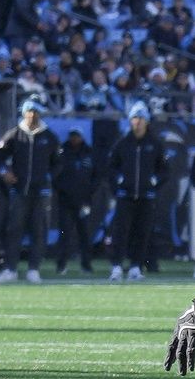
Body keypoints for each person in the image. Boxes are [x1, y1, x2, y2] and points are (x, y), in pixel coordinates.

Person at [0, 98, 59, 283]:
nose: (32, 115)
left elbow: (58, 163)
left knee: (39, 229)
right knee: (14, 229)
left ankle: (33, 269)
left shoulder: (49, 137)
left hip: (40, 191)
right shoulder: (14, 134)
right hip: (19, 189)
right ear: (24, 113)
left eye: (35, 112)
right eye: (29, 111)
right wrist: (4, 172)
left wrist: (48, 177)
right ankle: (10, 268)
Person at [108, 102, 167, 282]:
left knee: (142, 233)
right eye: (135, 118)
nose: (138, 122)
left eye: (141, 118)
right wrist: (119, 182)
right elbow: (111, 167)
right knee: (120, 232)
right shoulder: (123, 142)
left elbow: (164, 170)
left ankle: (136, 266)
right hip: (125, 195)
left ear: (147, 121)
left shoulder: (155, 144)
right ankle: (117, 267)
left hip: (146, 196)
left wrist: (154, 182)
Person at [54, 126, 97, 274]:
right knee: (64, 234)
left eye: (77, 136)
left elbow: (95, 175)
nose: (74, 139)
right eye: (72, 136)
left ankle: (86, 265)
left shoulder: (89, 153)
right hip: (65, 200)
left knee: (84, 233)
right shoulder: (62, 152)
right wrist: (61, 190)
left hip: (84, 201)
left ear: (82, 137)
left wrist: (89, 192)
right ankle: (61, 265)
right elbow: (56, 173)